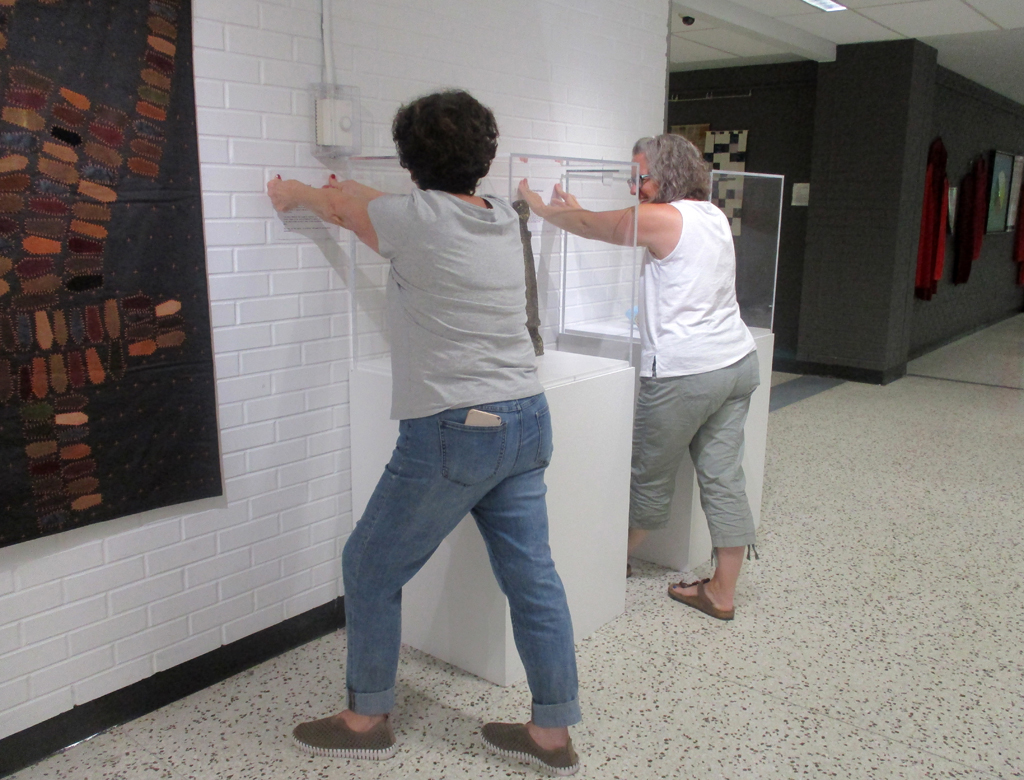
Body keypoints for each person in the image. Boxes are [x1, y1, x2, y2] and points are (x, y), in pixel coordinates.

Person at [267, 90, 581, 775]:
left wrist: (289, 189)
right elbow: (365, 202)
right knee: (534, 579)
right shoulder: (500, 215)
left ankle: (366, 716)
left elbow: (346, 206)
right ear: (484, 156)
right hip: (526, 418)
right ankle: (553, 732)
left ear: (409, 162)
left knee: (369, 566)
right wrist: (351, 192)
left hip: (456, 429)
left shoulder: (411, 217)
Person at [517, 133, 759, 622]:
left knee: (647, 478)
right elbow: (612, 224)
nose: (635, 187)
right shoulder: (712, 216)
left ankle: (609, 565)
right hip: (736, 364)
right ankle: (722, 593)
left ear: (667, 173)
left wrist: (539, 208)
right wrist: (579, 211)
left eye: (641, 177)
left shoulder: (662, 218)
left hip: (684, 375)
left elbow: (593, 226)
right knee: (724, 477)